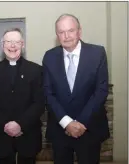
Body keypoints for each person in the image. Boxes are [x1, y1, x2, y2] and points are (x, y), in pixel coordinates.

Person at [42, 14, 110, 164]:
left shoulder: (97, 53)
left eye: (71, 30)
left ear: (79, 31)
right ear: (57, 35)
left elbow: (101, 90)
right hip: (60, 129)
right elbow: (48, 93)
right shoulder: (49, 57)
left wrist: (81, 123)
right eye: (61, 32)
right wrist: (67, 123)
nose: (66, 36)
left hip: (90, 128)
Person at [0, 28, 45, 164]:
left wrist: (20, 125)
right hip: (1, 136)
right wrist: (5, 125)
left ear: (22, 45)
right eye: (8, 41)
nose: (12, 45)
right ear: (2, 44)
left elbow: (39, 103)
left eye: (16, 42)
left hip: (28, 135)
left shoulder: (36, 70)